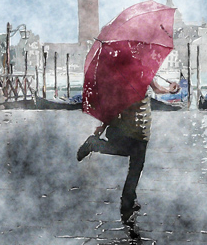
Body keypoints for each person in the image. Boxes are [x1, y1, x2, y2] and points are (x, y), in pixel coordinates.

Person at [77, 77, 180, 219]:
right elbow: (114, 105)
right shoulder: (136, 72)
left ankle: (129, 198)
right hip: (132, 128)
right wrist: (102, 126)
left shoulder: (137, 70)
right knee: (136, 164)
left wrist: (170, 90)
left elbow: (155, 89)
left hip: (139, 127)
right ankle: (127, 200)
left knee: (136, 163)